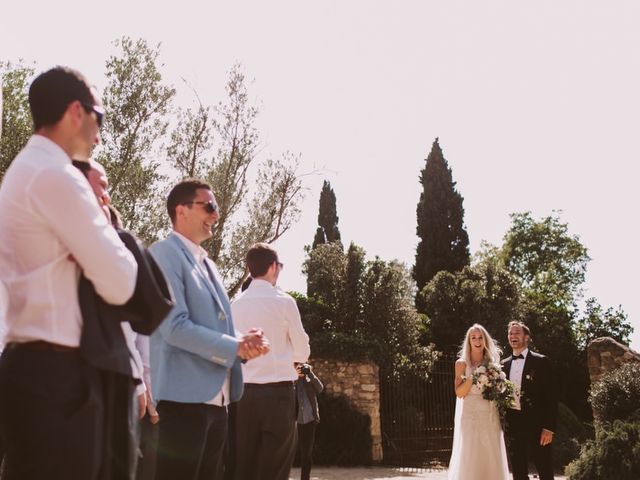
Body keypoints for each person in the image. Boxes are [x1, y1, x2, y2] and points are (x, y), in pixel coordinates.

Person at [0, 66, 138, 480]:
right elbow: (123, 285)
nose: (99, 134)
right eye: (100, 116)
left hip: (36, 369)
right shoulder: (57, 176)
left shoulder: (25, 172)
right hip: (58, 381)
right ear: (76, 111)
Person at [149, 179, 269, 480]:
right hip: (183, 403)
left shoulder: (209, 265)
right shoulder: (163, 254)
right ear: (182, 210)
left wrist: (243, 344)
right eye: (209, 206)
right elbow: (173, 327)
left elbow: (212, 328)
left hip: (218, 404)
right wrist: (234, 346)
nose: (216, 215)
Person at [232, 243, 311, 480]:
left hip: (244, 396)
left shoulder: (235, 305)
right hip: (279, 395)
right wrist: (290, 358)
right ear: (273, 267)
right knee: (275, 468)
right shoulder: (285, 302)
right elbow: (302, 351)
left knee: (244, 464)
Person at [447, 324, 509, 480]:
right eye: (473, 337)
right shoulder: (461, 364)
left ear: (485, 340)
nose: (477, 340)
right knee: (470, 453)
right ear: (468, 341)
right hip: (470, 415)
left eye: (480, 337)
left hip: (489, 414)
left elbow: (497, 391)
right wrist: (474, 376)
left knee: (490, 453)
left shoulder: (492, 364)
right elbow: (459, 393)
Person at [502, 321, 557, 480]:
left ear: (526, 337)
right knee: (518, 471)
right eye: (511, 333)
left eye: (517, 333)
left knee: (544, 467)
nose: (513, 336)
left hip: (538, 425)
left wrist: (549, 427)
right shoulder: (503, 365)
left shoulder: (541, 362)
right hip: (513, 424)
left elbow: (551, 396)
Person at [295, 362, 323, 480]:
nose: (300, 369)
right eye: (298, 367)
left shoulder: (308, 380)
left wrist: (310, 373)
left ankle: (304, 478)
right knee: (289, 451)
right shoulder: (292, 381)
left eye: (301, 367)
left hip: (310, 420)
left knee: (307, 452)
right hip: (295, 422)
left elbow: (320, 388)